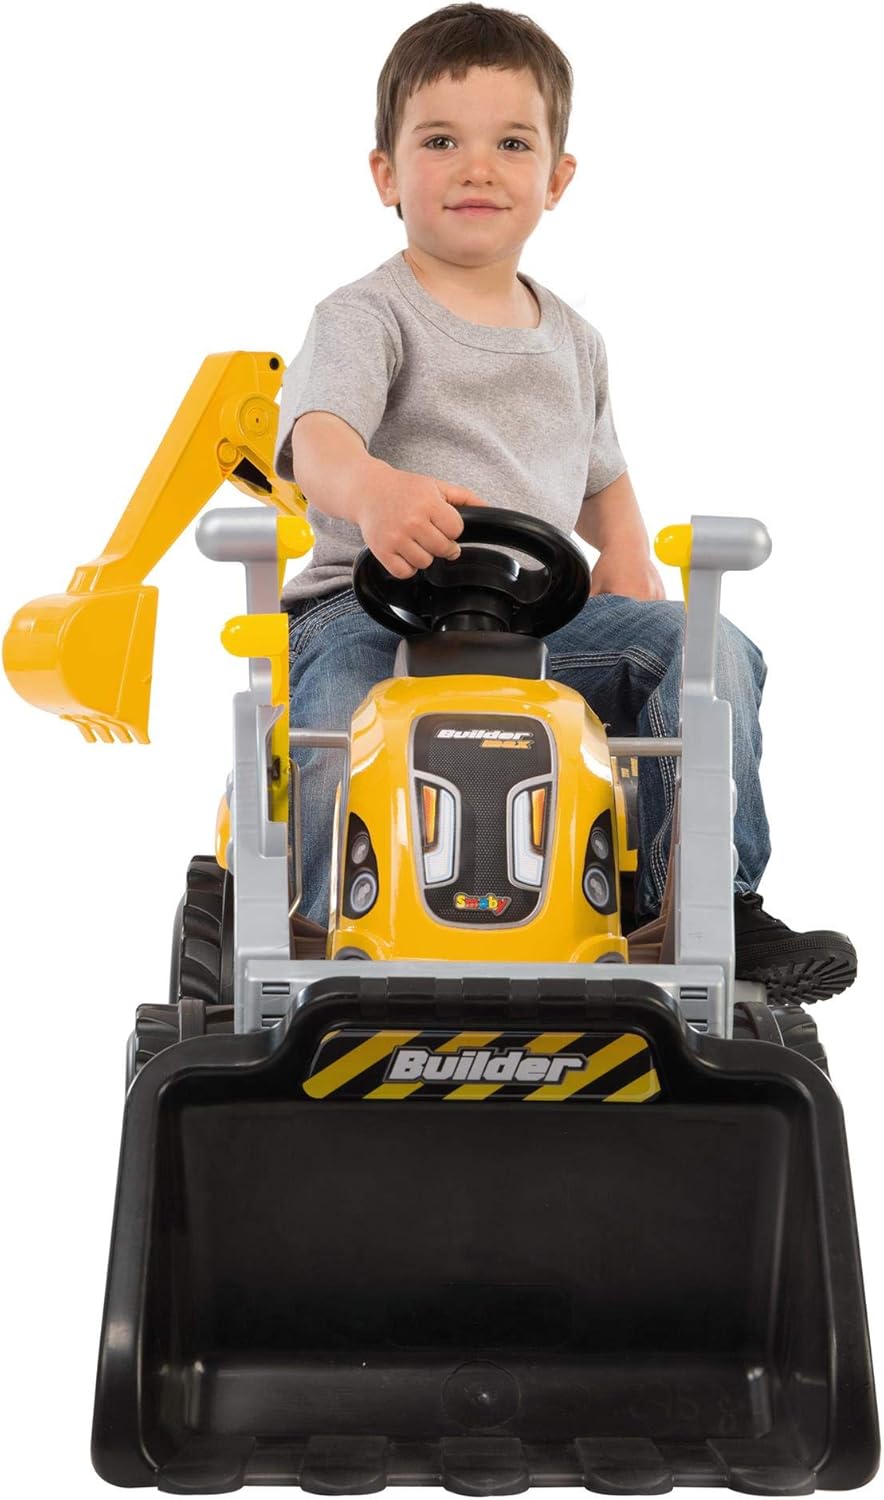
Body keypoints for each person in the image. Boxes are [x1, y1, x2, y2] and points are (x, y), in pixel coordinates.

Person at [273, 1, 855, 1002]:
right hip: (373, 614)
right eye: (440, 141)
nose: (476, 168)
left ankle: (704, 904)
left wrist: (625, 554)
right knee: (345, 727)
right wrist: (374, 493)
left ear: (557, 177)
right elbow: (316, 441)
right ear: (385, 173)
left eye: (511, 143)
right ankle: (333, 937)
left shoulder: (576, 340)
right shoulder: (365, 315)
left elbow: (601, 477)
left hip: (537, 628)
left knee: (706, 652)